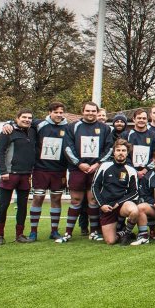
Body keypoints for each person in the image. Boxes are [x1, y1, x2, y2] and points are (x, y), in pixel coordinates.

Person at [60, 102, 114, 243]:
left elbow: (109, 148)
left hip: (96, 170)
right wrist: (79, 163)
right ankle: (68, 233)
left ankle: (94, 232)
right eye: (88, 110)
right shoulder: (73, 127)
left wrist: (98, 164)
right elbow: (67, 147)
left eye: (93, 111)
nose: (90, 113)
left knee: (93, 201)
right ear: (82, 111)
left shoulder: (105, 128)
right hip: (78, 169)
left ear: (97, 112)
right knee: (76, 201)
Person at [0, 109, 37, 245]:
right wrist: (3, 171)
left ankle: (20, 234)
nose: (27, 119)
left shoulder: (33, 131)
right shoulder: (8, 131)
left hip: (25, 174)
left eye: (29, 117)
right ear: (17, 119)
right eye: (24, 117)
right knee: (3, 205)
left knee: (23, 206)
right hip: (10, 174)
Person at [28, 102, 70, 241]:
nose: (59, 115)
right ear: (50, 112)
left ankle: (54, 230)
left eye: (61, 112)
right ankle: (33, 231)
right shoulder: (39, 124)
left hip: (59, 170)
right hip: (41, 168)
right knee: (38, 198)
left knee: (56, 199)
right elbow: (22, 122)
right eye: (56, 112)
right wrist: (8, 123)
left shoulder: (68, 127)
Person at [91, 139, 142, 245]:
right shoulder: (104, 166)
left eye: (123, 150)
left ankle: (127, 233)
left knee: (134, 210)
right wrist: (102, 205)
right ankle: (122, 232)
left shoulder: (131, 170)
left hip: (122, 204)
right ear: (114, 152)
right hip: (107, 207)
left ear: (127, 153)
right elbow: (94, 187)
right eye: (118, 150)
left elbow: (135, 192)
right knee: (110, 241)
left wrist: (119, 202)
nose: (121, 153)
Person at [122, 109, 155, 178]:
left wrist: (145, 170)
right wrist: (134, 170)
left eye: (144, 118)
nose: (141, 120)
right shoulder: (126, 135)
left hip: (149, 173)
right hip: (129, 171)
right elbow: (123, 154)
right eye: (139, 118)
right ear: (134, 119)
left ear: (147, 120)